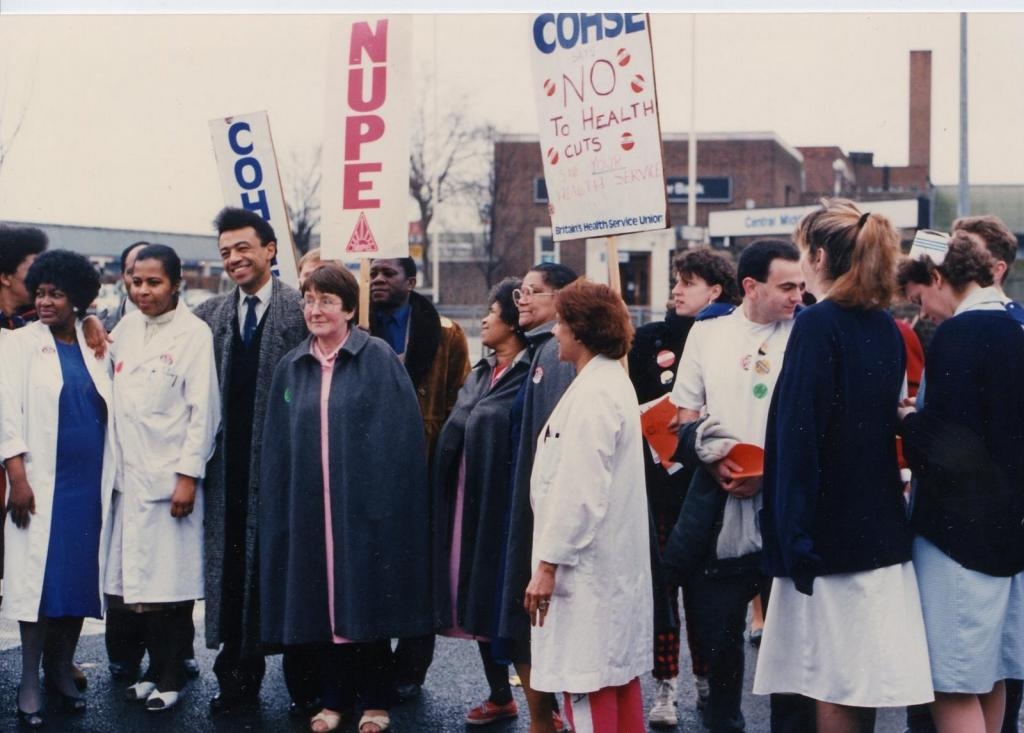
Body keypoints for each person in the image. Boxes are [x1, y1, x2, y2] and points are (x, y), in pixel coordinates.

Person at [753, 199, 933, 733]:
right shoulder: (886, 327)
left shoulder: (818, 326)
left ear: (822, 255)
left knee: (833, 680)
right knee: (862, 678)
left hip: (824, 533)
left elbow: (798, 438)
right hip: (876, 526)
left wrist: (791, 535)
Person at [259, 263, 432, 733]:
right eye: (309, 300)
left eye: (327, 301)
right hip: (312, 511)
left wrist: (383, 503)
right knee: (322, 607)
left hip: (364, 511)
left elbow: (400, 440)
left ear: (350, 309)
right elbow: (281, 443)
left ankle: (375, 701)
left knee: (365, 602)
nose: (315, 310)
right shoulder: (293, 366)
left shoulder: (375, 358)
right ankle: (334, 700)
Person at [662, 239, 804, 733]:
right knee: (720, 655)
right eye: (787, 286)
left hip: (786, 513)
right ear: (750, 286)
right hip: (717, 515)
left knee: (792, 666)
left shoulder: (806, 332)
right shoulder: (707, 335)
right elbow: (681, 423)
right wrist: (711, 455)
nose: (797, 296)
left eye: (802, 285)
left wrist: (772, 471)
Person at [897, 233, 1024, 733]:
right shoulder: (1016, 325)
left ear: (936, 277)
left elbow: (950, 444)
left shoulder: (959, 334)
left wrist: (905, 420)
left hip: (956, 536)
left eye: (920, 298)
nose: (924, 312)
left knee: (948, 684)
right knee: (992, 672)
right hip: (1009, 530)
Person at [191, 207, 309, 716]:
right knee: (232, 573)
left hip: (286, 467)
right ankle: (236, 681)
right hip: (228, 469)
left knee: (289, 573)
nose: (234, 259)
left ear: (270, 250)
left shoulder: (300, 309)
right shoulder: (209, 316)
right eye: (225, 253)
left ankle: (307, 685)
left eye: (243, 248)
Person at [523, 278, 652, 733]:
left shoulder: (595, 393)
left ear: (580, 329)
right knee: (616, 688)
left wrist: (547, 566)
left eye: (561, 323)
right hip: (603, 572)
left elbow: (579, 492)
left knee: (591, 688)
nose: (556, 331)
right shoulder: (606, 383)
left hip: (587, 572)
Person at [0, 249, 115, 728]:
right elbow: (5, 413)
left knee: (76, 584)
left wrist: (90, 322)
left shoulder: (96, 344)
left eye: (56, 294)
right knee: (38, 587)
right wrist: (17, 478)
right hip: (42, 484)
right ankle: (29, 679)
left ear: (78, 299)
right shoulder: (17, 344)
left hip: (89, 485)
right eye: (40, 292)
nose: (45, 301)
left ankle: (60, 672)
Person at [104, 244, 220, 711]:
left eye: (154, 282)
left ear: (176, 284)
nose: (143, 291)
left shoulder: (194, 334)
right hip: (127, 479)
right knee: (138, 589)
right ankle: (152, 670)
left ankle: (172, 675)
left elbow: (203, 413)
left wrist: (188, 476)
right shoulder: (126, 328)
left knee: (170, 588)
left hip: (169, 479)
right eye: (135, 282)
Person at [628, 246, 740, 727]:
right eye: (675, 280)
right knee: (661, 591)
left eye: (687, 282)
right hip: (657, 484)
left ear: (715, 290)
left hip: (708, 485)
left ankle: (707, 682)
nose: (675, 289)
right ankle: (665, 685)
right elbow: (628, 397)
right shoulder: (650, 338)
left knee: (706, 595)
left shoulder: (731, 339)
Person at [367, 256, 470, 699]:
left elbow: (458, 400)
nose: (376, 280)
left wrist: (445, 458)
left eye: (387, 273)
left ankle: (411, 668)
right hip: (370, 465)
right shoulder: (357, 326)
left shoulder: (446, 334)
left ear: (411, 280)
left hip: (425, 465)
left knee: (418, 571)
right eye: (371, 272)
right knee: (371, 568)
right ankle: (370, 663)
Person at [432, 278, 531, 726]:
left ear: (511, 323)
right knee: (474, 598)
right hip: (464, 504)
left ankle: (544, 708)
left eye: (492, 313)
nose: (485, 320)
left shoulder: (529, 374)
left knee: (504, 599)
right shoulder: (479, 373)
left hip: (502, 506)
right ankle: (499, 695)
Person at [497, 262, 578, 733]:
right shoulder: (541, 351)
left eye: (533, 292)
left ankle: (544, 723)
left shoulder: (554, 355)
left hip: (540, 514)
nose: (521, 300)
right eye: (520, 292)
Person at [101, 241, 149, 332]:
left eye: (150, 273)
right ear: (123, 276)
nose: (142, 283)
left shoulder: (181, 327)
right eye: (133, 273)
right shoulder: (97, 329)